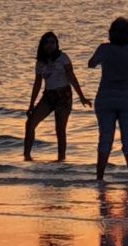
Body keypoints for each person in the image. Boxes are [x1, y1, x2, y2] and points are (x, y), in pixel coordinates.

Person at [88, 17, 128, 182]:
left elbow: (91, 64)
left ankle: (99, 178)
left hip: (105, 99)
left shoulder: (104, 49)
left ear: (110, 34)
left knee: (105, 139)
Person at [24, 31, 91, 162]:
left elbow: (72, 77)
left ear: (56, 44)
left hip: (63, 96)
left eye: (52, 43)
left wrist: (81, 97)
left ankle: (61, 159)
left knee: (60, 129)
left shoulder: (63, 57)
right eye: (47, 43)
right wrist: (31, 104)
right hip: (48, 96)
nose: (49, 46)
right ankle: (27, 156)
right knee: (30, 123)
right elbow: (37, 84)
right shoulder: (40, 62)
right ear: (42, 45)